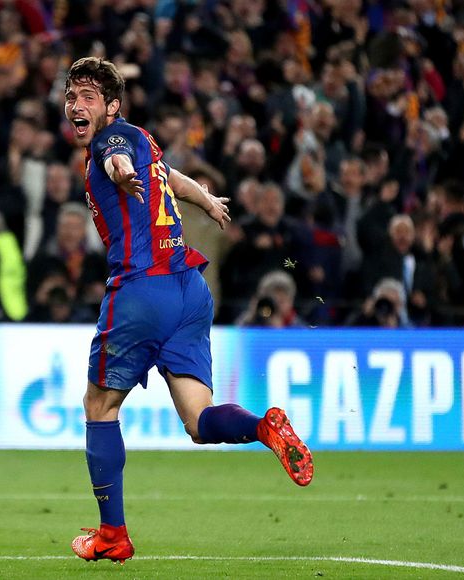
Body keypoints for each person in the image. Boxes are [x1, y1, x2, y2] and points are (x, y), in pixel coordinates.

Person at [63, 57, 314, 565]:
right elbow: (171, 176)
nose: (76, 105)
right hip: (190, 291)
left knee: (100, 406)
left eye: (88, 96)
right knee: (200, 422)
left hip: (141, 290)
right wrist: (207, 201)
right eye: (71, 96)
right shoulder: (144, 139)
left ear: (112, 106)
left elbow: (118, 162)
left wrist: (120, 171)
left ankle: (113, 534)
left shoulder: (113, 142)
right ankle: (264, 427)